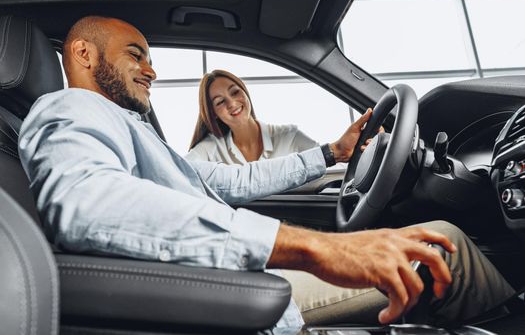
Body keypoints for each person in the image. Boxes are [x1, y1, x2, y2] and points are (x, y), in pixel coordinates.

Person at [18, 16, 514, 329]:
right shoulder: (71, 108)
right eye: (136, 54)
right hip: (225, 292)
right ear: (83, 54)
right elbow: (87, 205)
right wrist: (320, 248)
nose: (151, 70)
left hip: (235, 277)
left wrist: (329, 153)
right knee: (439, 242)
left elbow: (227, 184)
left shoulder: (129, 128)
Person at [186, 69, 321, 164]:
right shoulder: (211, 148)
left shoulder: (289, 136)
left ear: (245, 92)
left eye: (235, 92)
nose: (232, 103)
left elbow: (334, 166)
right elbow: (181, 173)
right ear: (213, 113)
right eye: (220, 102)